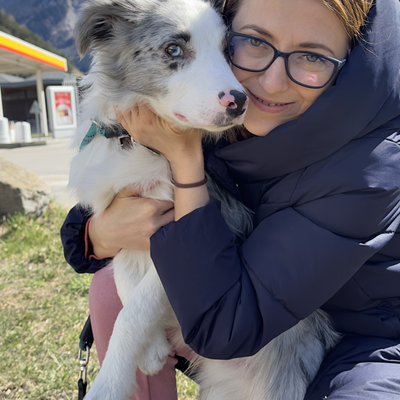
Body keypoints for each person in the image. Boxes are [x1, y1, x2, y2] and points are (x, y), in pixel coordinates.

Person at [61, 0, 400, 399]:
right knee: (107, 291)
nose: (271, 83)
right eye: (253, 42)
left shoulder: (371, 167)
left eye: (311, 56)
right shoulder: (216, 105)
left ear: (350, 58)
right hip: (239, 305)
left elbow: (228, 326)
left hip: (361, 338)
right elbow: (96, 225)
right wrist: (99, 232)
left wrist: (185, 160)